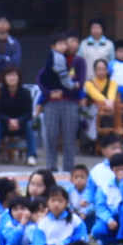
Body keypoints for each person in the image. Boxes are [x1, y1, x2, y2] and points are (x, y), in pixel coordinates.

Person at [32, 34, 83, 169]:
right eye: (68, 41)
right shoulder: (54, 58)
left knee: (69, 136)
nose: (71, 44)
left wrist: (64, 92)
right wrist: (49, 93)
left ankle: (68, 167)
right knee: (51, 135)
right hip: (51, 101)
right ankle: (51, 166)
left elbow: (80, 83)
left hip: (70, 102)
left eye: (75, 41)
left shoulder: (79, 61)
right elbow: (40, 78)